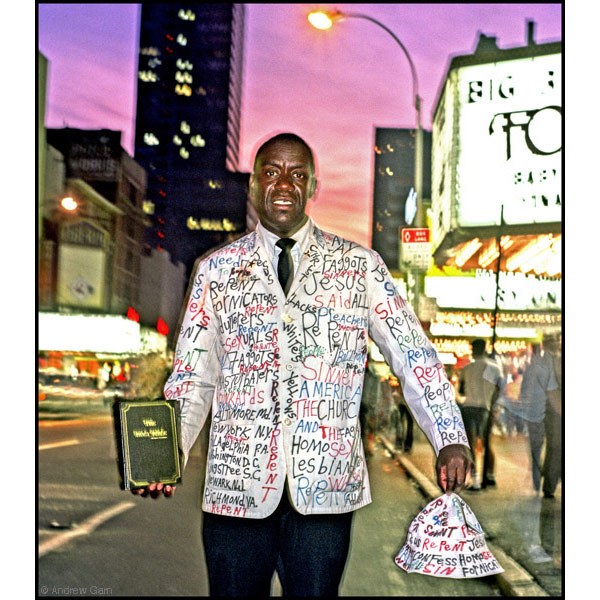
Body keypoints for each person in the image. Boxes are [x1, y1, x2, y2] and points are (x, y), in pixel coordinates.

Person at [133, 133, 472, 597]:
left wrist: (449, 436)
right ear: (253, 186)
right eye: (271, 172)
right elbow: (193, 377)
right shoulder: (216, 270)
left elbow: (414, 357)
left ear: (313, 186)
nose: (284, 183)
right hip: (237, 494)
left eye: (297, 174)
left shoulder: (361, 267)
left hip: (325, 496)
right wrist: (163, 453)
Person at [458, 339, 504, 490]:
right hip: (486, 408)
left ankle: (475, 480)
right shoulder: (493, 368)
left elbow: (462, 391)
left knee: (470, 446)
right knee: (486, 443)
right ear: (485, 349)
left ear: (473, 350)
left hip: (469, 408)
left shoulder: (467, 368)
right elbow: (499, 389)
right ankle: (490, 475)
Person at [519, 338, 561, 498]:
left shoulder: (534, 366)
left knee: (540, 447)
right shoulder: (553, 362)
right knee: (554, 447)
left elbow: (524, 390)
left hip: (538, 411)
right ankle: (546, 480)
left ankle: (542, 480)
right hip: (550, 410)